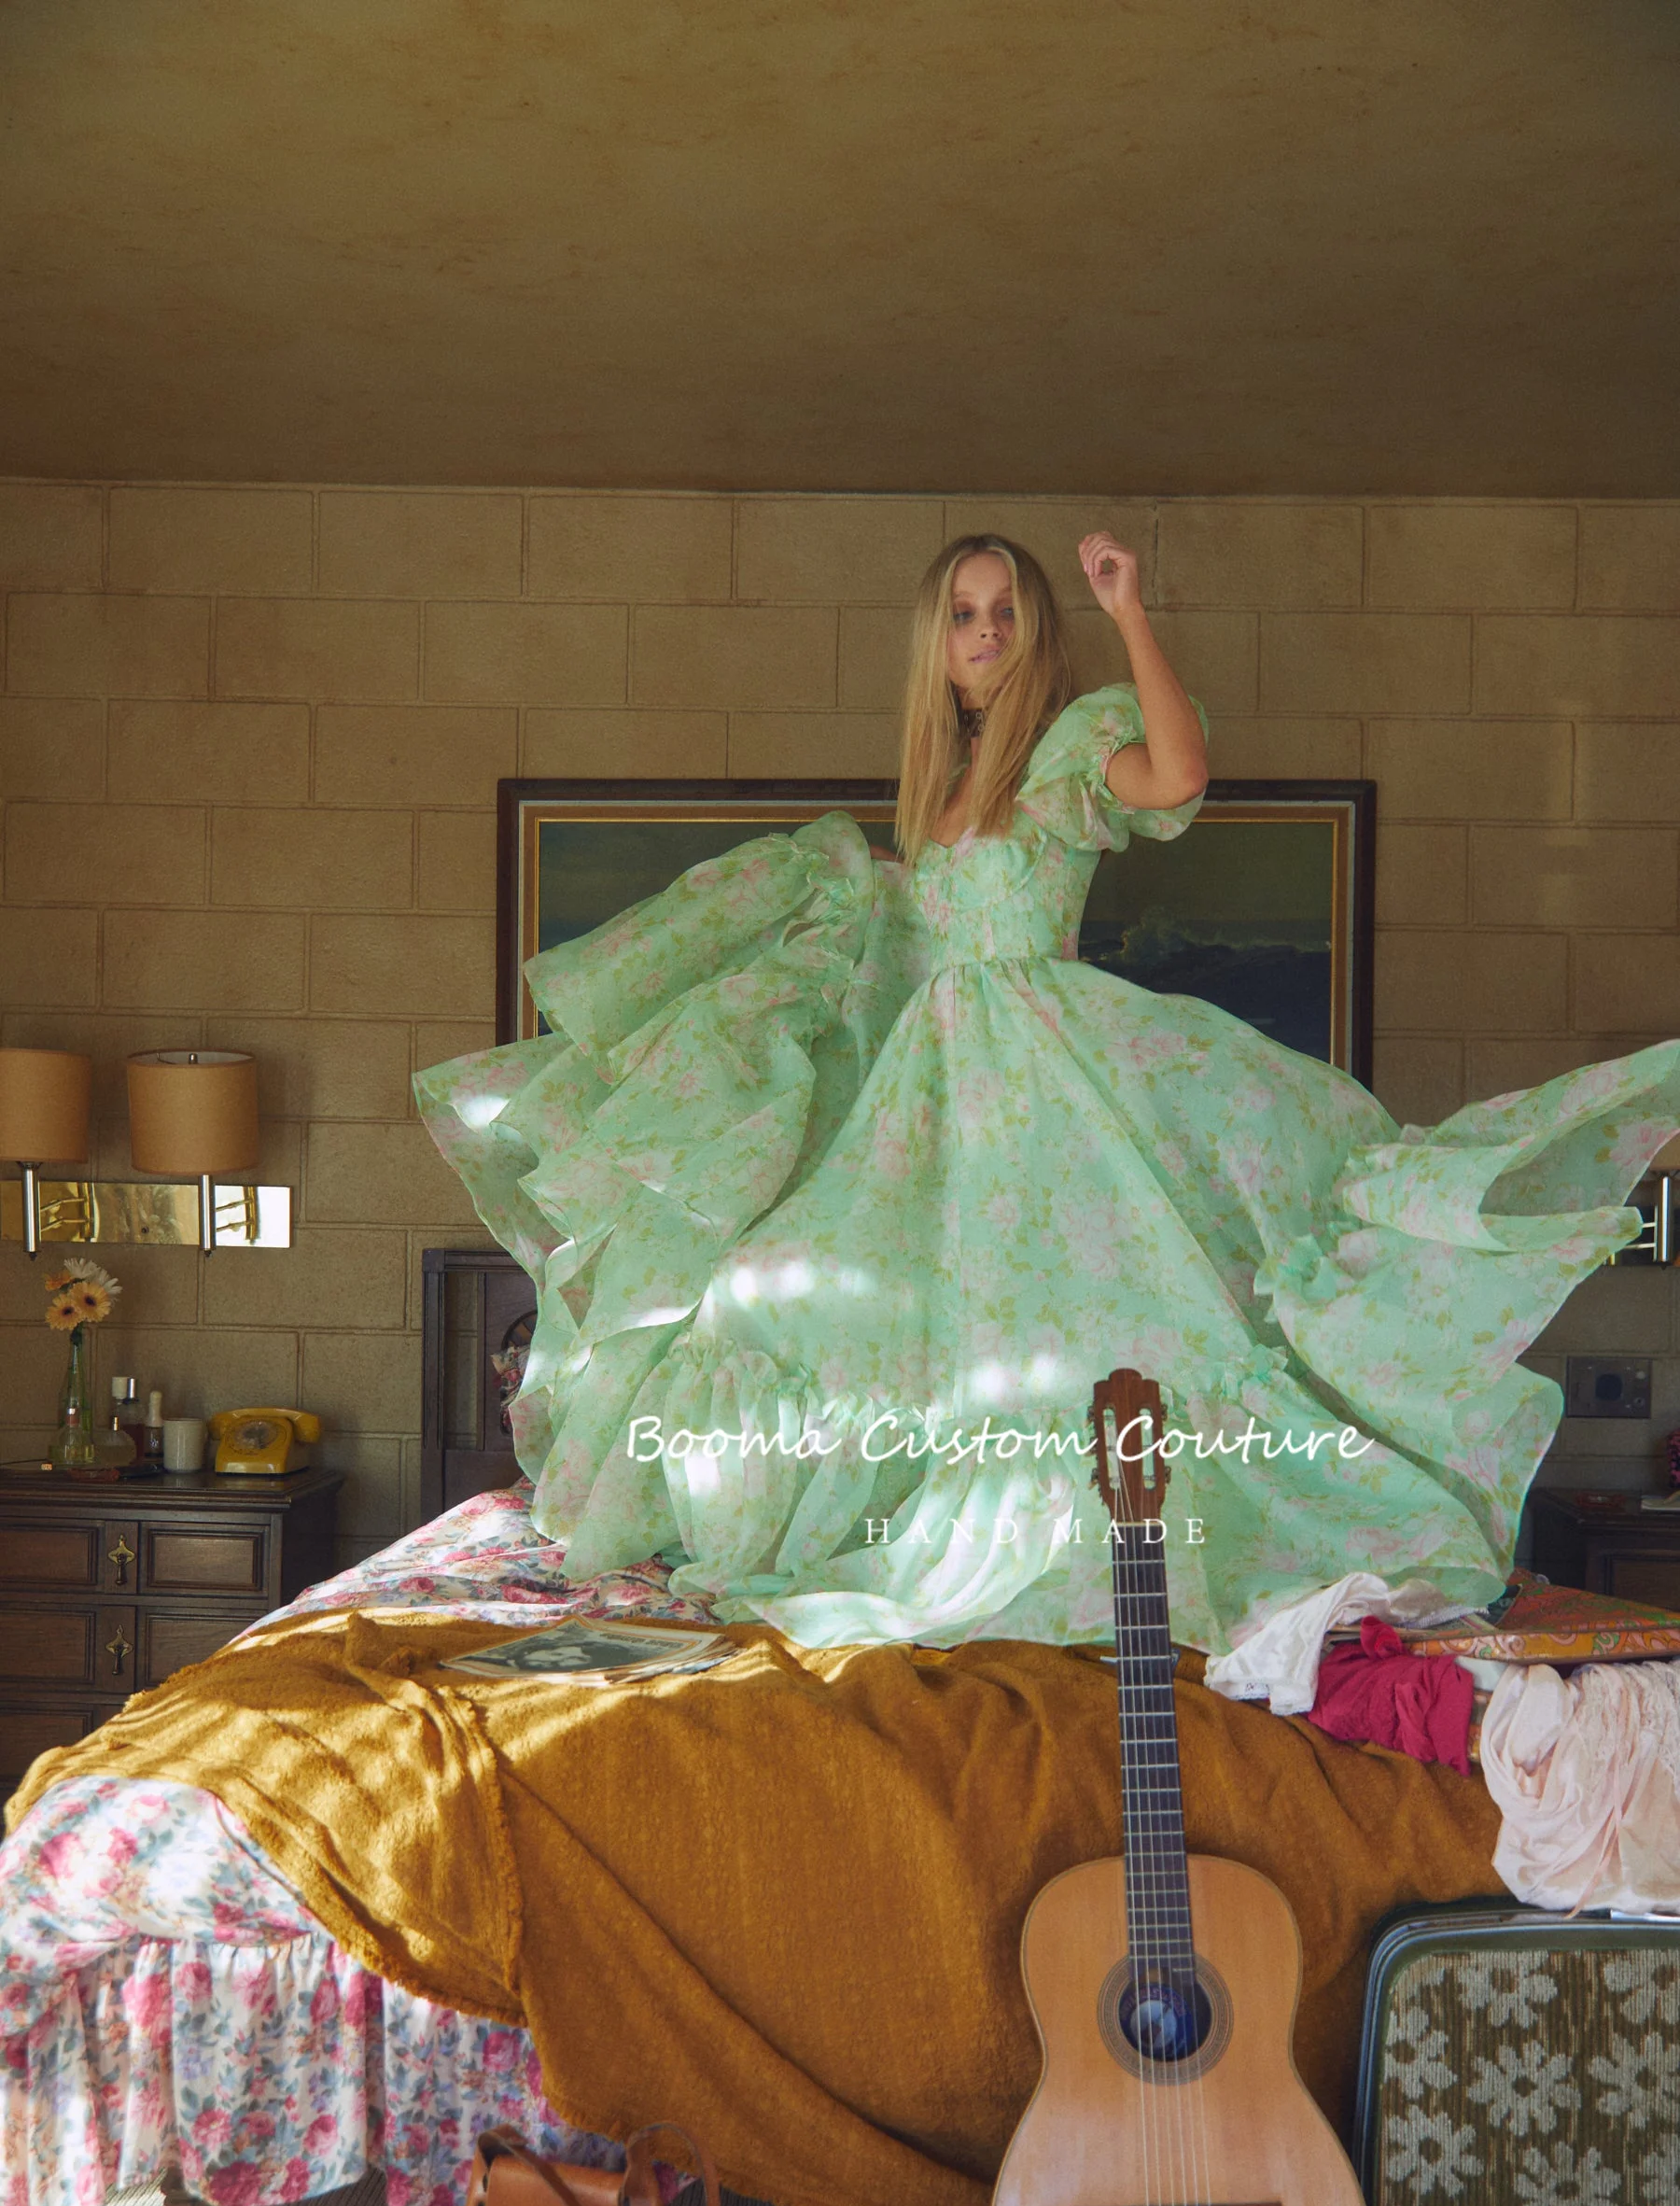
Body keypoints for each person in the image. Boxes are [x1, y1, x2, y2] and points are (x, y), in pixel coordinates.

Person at [416, 533, 1680, 1656]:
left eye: (1007, 612)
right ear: (937, 645)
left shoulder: (1070, 751)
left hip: (1043, 1062)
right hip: (940, 1083)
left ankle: (1139, 1546)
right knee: (803, 1300)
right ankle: (912, 1522)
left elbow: (1179, 777)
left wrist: (1130, 609)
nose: (986, 634)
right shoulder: (942, 789)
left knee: (1098, 1315)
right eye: (965, 615)